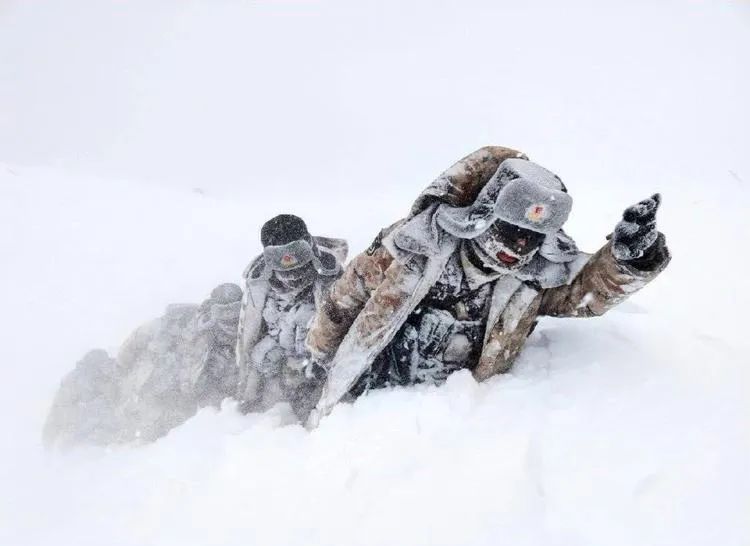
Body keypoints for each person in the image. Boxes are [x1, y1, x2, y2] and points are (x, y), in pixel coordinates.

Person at [305, 146, 671, 425]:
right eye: (510, 229)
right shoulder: (413, 245)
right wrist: (321, 355)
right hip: (367, 403)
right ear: (482, 214)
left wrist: (629, 260)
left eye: (532, 236)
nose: (520, 245)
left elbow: (583, 293)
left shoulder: (535, 277)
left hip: (452, 422)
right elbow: (343, 300)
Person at [44, 284, 244, 447]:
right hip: (146, 393)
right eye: (223, 311)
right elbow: (133, 346)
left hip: (160, 404)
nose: (229, 318)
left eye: (233, 311)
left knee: (125, 429)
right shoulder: (181, 323)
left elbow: (131, 349)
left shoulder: (227, 342)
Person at [235, 214, 347, 419]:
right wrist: (247, 387)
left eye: (297, 255)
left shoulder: (330, 274)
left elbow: (340, 327)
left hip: (317, 363)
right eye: (278, 258)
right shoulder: (258, 281)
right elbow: (248, 333)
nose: (292, 273)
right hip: (277, 364)